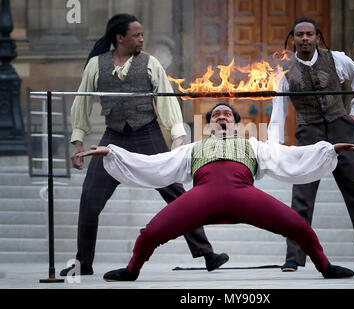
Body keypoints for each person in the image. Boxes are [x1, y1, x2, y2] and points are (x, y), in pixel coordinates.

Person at [76, 103, 354, 281]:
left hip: (244, 195)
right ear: (210, 124)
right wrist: (112, 152)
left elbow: (290, 156)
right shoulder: (193, 147)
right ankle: (131, 271)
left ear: (235, 122)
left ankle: (325, 267)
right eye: (216, 115)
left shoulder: (253, 145)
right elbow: (155, 163)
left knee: (299, 226)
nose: (222, 116)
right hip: (201, 196)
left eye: (227, 113)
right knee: (150, 233)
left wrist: (329, 149)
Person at [60, 13, 228, 276]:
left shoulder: (150, 63)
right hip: (113, 138)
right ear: (120, 37)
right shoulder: (96, 65)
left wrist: (177, 137)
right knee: (90, 199)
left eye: (141, 34)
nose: (141, 38)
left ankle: (208, 254)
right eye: (136, 35)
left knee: (176, 195)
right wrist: (78, 142)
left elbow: (166, 101)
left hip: (147, 135)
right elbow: (81, 103)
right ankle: (84, 263)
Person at [268, 17, 354, 272]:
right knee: (302, 196)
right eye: (299, 35)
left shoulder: (337, 59)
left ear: (317, 37)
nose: (304, 38)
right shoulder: (284, 69)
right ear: (292, 39)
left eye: (309, 34)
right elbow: (279, 107)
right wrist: (275, 144)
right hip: (309, 132)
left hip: (341, 129)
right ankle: (294, 257)